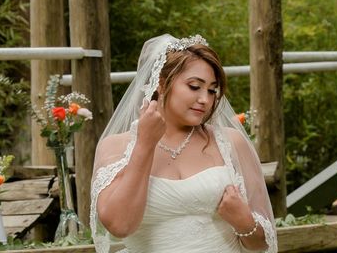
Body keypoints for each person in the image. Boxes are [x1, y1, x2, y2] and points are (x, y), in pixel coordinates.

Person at [90, 34, 277, 253]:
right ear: (161, 83)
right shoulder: (116, 147)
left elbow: (263, 243)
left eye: (211, 90)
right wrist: (144, 144)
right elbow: (120, 225)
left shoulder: (231, 143)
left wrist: (243, 222)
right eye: (194, 86)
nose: (205, 100)